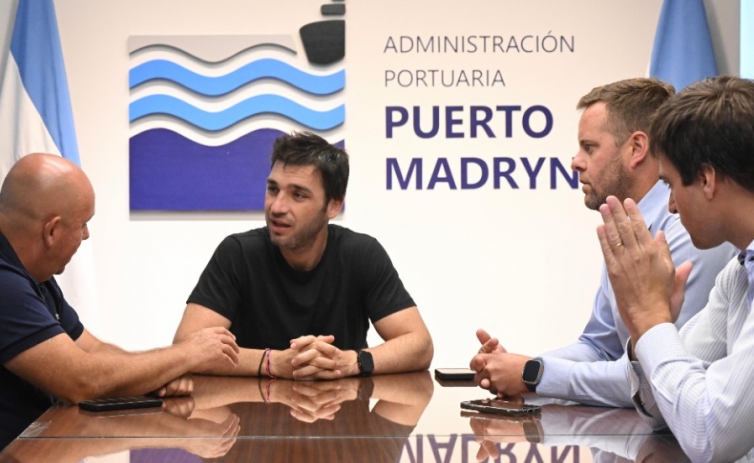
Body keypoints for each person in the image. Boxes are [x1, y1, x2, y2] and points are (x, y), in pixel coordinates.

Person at [0, 153, 240, 463]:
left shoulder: (21, 270)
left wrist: (158, 376)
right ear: (52, 230)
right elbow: (81, 382)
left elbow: (92, 350)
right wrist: (187, 354)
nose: (86, 235)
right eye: (83, 224)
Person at [470, 78, 734, 406]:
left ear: (636, 148)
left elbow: (662, 378)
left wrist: (533, 374)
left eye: (589, 147)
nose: (575, 161)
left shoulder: (689, 230)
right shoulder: (624, 224)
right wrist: (521, 366)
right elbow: (599, 346)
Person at [174, 131, 433, 380]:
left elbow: (420, 345)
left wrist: (350, 362)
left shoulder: (361, 254)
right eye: (273, 189)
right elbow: (186, 349)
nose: (277, 207)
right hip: (250, 415)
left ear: (333, 205)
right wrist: (273, 362)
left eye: (298, 195)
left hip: (345, 417)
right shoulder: (238, 253)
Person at [598, 75, 754, 462]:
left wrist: (652, 320)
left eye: (670, 185)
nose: (669, 207)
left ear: (706, 179)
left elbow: (710, 436)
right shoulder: (739, 273)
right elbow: (666, 414)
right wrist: (643, 331)